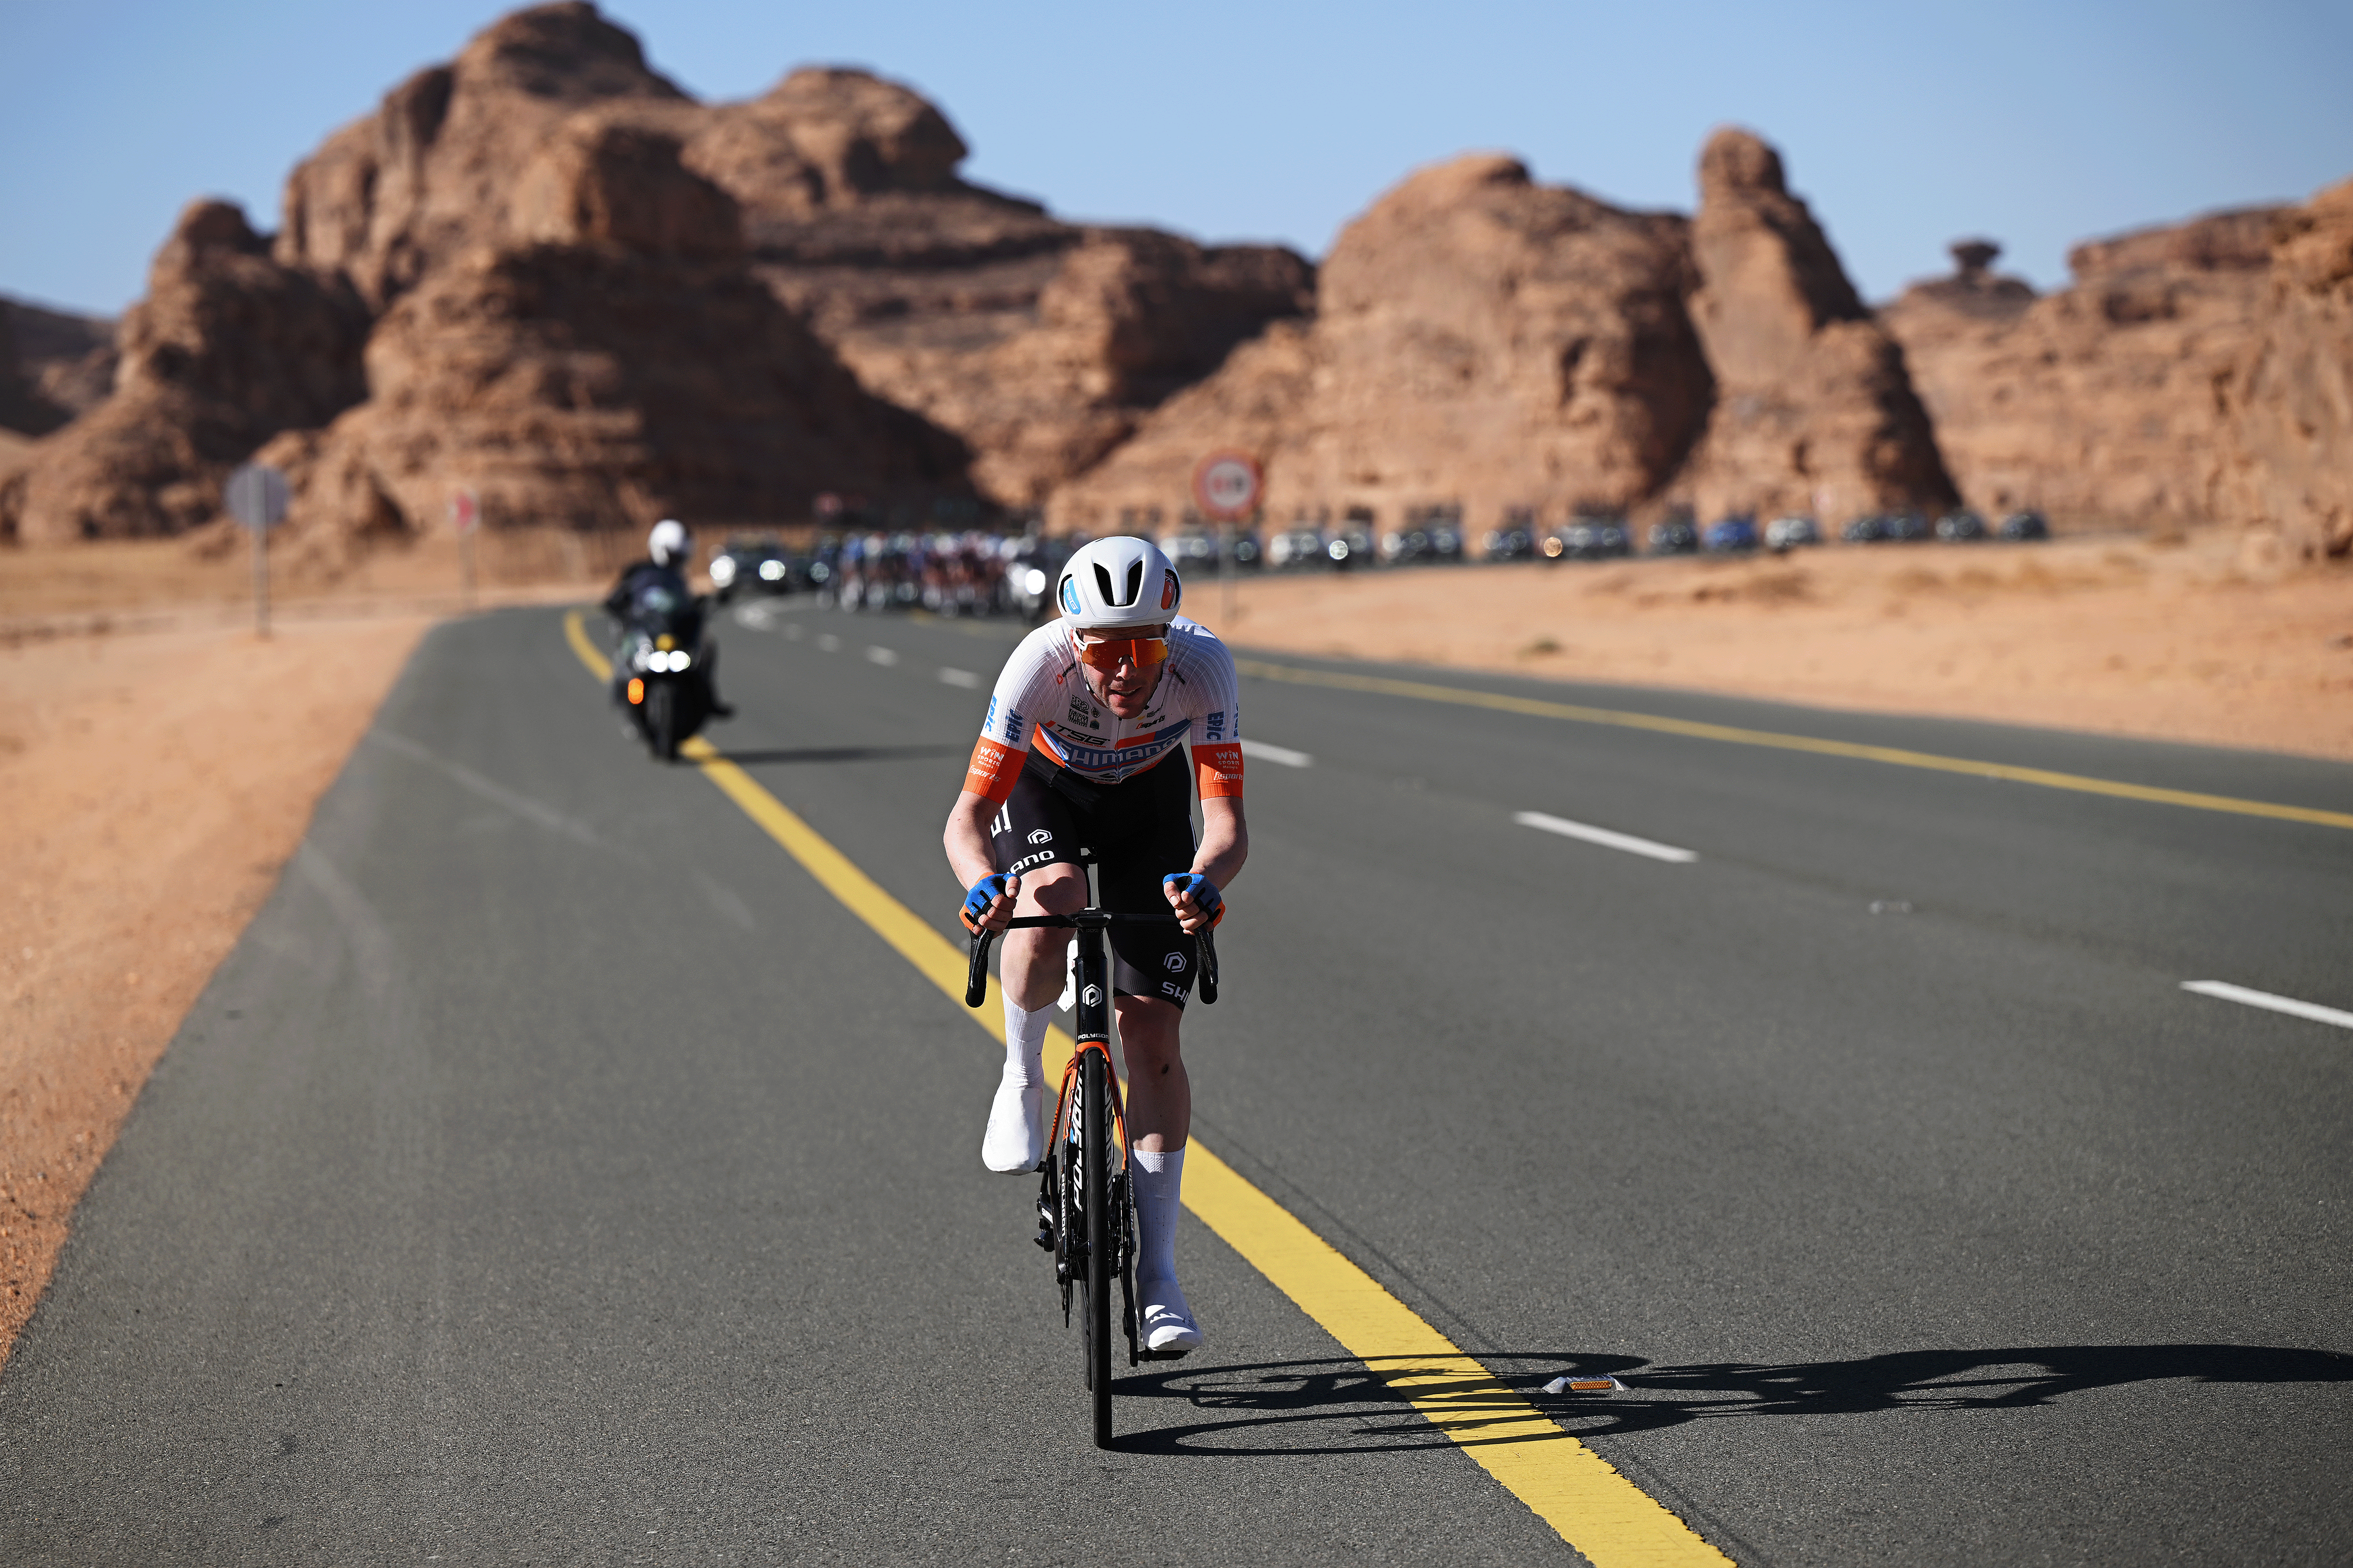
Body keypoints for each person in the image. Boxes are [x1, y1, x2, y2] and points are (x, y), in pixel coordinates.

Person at [942, 536, 1247, 1357]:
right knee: (1052, 901)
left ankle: (1159, 1281)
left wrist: (1206, 880)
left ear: (1168, 636)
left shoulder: (1205, 668)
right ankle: (1018, 1074)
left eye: (1142, 647)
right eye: (1105, 650)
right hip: (1050, 795)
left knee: (1150, 1030)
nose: (1123, 670)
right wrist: (979, 884)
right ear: (1074, 643)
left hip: (1149, 806)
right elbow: (966, 819)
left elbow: (1223, 825)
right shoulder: (1032, 668)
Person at [604, 519, 733, 718]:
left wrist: (702, 606)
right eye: (673, 555)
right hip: (644, 632)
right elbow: (616, 599)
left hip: (673, 633)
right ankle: (624, 696)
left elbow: (687, 604)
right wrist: (625, 612)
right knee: (626, 659)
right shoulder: (639, 572)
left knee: (706, 646)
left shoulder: (678, 579)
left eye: (680, 557)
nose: (676, 561)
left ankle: (707, 698)